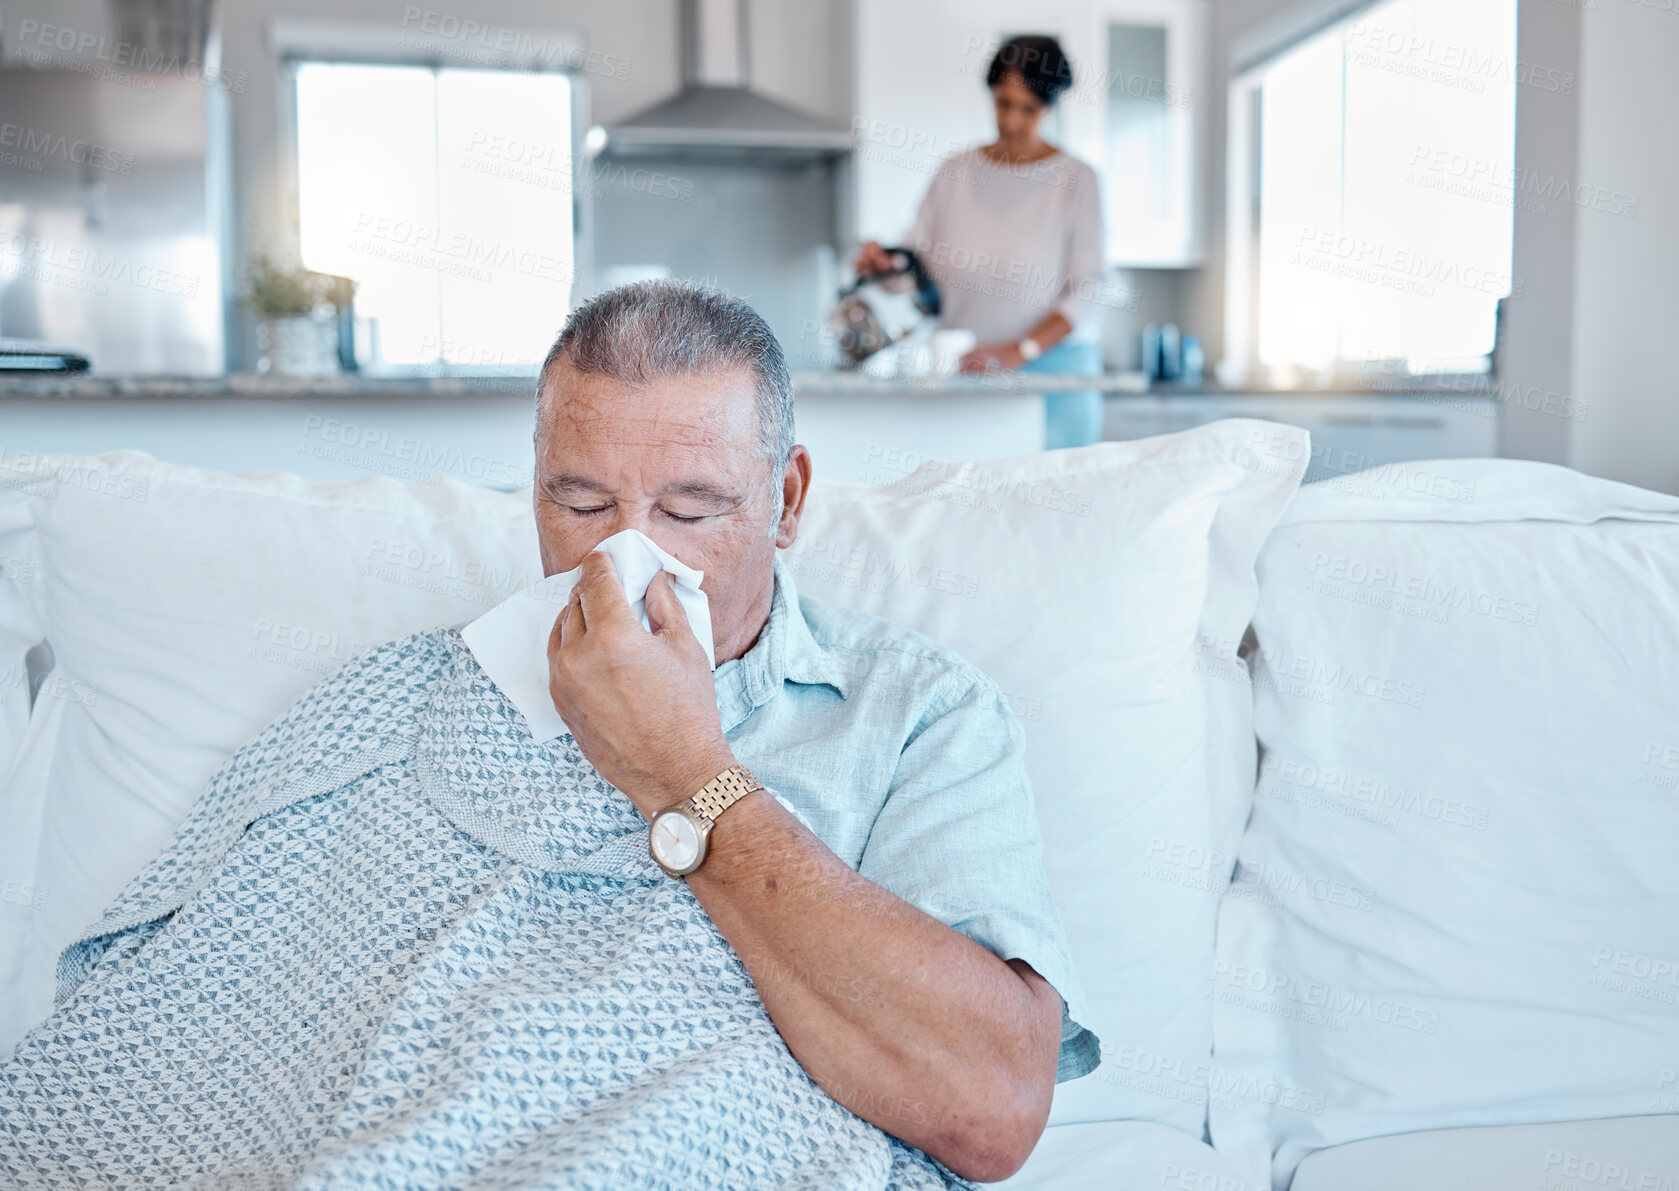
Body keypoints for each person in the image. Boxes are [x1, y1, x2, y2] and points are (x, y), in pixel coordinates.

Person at [0, 280, 1099, 1189]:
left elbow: (990, 1108)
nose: (624, 561)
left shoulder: (916, 717)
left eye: (690, 510)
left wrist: (684, 774)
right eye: (579, 505)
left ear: (787, 498)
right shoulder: (402, 696)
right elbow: (179, 1003)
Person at [856, 35, 1109, 449]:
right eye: (1003, 103)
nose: (1011, 121)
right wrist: (886, 263)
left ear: (1051, 105)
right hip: (966, 373)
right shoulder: (955, 172)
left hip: (1054, 376)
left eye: (1027, 109)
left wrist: (1019, 351)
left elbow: (1088, 290)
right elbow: (915, 258)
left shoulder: (1077, 181)